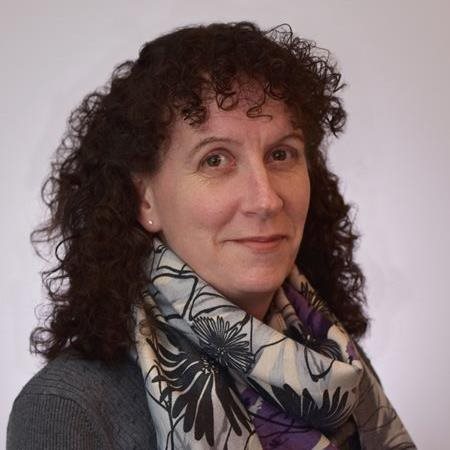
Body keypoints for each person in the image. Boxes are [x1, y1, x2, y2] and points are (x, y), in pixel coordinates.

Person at [7, 22, 415, 449]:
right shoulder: (69, 410)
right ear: (145, 198)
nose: (266, 199)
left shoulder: (338, 364)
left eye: (281, 154)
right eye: (216, 159)